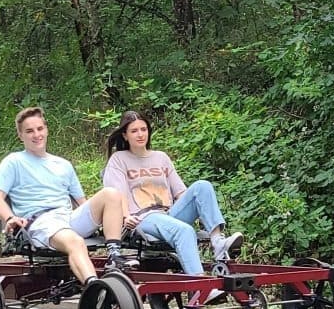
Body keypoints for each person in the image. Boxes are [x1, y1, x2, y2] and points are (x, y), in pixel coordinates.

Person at [0, 107, 138, 286]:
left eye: (40, 129)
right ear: (21, 135)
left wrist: (111, 217)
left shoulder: (63, 165)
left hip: (68, 219)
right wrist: (10, 218)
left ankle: (114, 256)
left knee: (111, 194)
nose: (36, 134)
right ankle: (94, 288)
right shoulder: (13, 161)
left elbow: (83, 203)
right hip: (41, 222)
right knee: (75, 241)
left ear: (46, 130)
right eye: (29, 131)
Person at [103, 110, 243, 281]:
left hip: (168, 214)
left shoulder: (161, 157)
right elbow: (116, 194)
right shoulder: (119, 159)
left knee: (202, 186)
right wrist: (125, 216)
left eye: (143, 129)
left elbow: (180, 192)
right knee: (184, 230)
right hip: (143, 218)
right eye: (134, 131)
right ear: (125, 135)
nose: (140, 134)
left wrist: (196, 207)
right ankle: (200, 283)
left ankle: (218, 243)